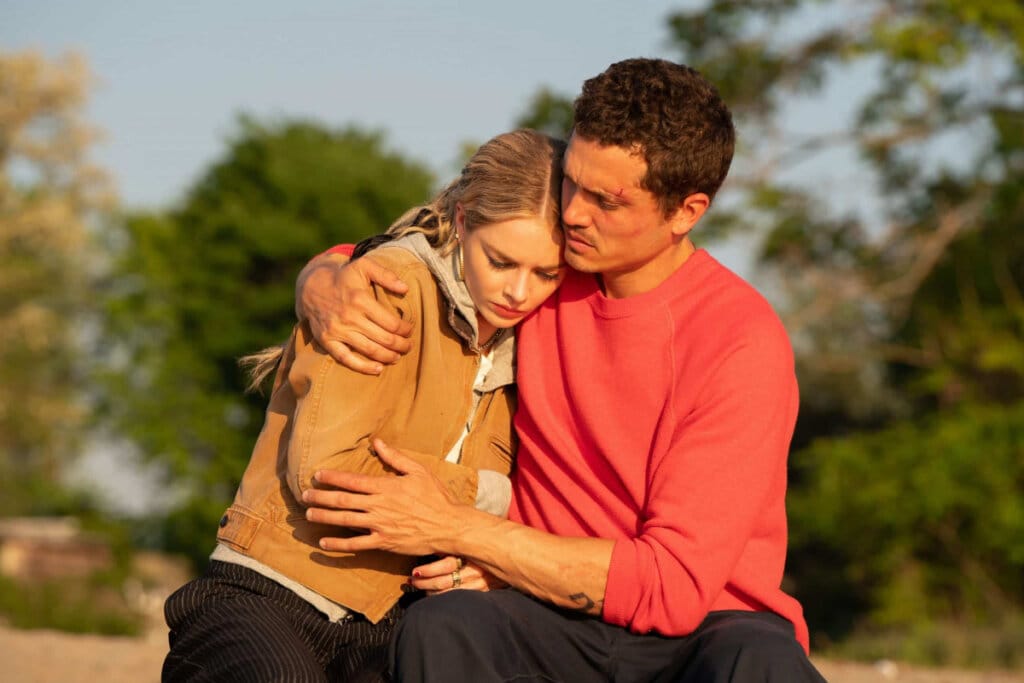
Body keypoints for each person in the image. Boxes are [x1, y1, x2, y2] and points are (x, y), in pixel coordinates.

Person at [297, 58, 828, 682]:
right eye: (572, 181)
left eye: (607, 200)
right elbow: (424, 254)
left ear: (686, 211)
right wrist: (326, 275)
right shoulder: (543, 274)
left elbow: (671, 586)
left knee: (762, 665)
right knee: (445, 626)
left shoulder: (742, 339)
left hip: (704, 632)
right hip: (540, 614)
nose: (574, 213)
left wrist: (456, 529)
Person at [161, 129, 568, 682]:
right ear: (466, 220)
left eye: (546, 273)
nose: (519, 292)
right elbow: (327, 478)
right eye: (501, 261)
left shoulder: (545, 339)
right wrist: (489, 500)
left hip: (397, 617)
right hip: (272, 586)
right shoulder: (388, 285)